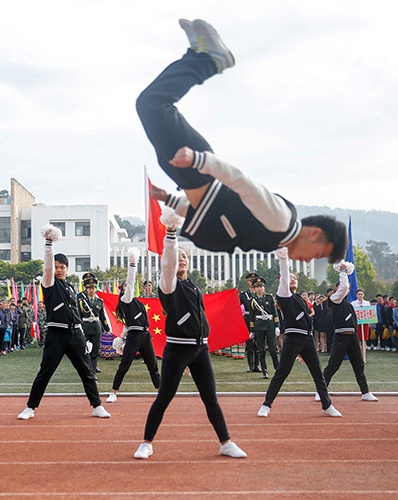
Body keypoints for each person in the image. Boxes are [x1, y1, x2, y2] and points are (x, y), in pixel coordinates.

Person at [139, 18, 347, 264]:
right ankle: (209, 59)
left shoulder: (275, 238)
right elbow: (242, 183)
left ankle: (200, 54)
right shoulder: (280, 219)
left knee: (153, 104)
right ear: (315, 233)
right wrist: (200, 159)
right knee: (151, 104)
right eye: (318, 254)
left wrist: (170, 200)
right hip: (196, 167)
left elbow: (217, 212)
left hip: (189, 177)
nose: (309, 261)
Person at [133, 212, 245, 460]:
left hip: (200, 350)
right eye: (178, 256)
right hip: (177, 349)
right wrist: (171, 234)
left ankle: (225, 442)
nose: (181, 259)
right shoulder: (168, 284)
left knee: (211, 399)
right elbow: (169, 263)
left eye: (185, 257)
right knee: (164, 398)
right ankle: (146, 443)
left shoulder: (194, 287)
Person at [17, 224, 110, 420]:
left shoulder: (69, 288)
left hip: (75, 334)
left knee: (87, 371)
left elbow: (75, 314)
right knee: (45, 372)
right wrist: (49, 243)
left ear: (67, 269)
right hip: (56, 335)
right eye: (56, 266)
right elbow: (48, 267)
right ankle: (30, 407)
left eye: (62, 267)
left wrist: (83, 337)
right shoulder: (49, 283)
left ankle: (97, 405)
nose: (58, 270)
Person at [257, 247, 342, 419]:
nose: (293, 279)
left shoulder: (301, 300)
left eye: (295, 277)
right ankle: (266, 404)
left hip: (307, 339)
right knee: (282, 372)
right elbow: (284, 273)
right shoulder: (284, 296)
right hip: (293, 339)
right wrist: (283, 259)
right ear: (285, 281)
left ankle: (327, 405)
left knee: (318, 373)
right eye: (290, 277)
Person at [106, 247, 160, 403]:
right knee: (124, 366)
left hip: (144, 336)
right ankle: (113, 392)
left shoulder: (139, 303)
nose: (127, 287)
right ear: (123, 290)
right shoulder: (125, 300)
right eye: (124, 287)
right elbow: (130, 282)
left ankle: (160, 391)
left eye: (127, 287)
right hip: (134, 338)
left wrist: (122, 337)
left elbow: (129, 325)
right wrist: (132, 264)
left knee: (153, 366)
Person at [320, 263, 378, 403]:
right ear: (336, 288)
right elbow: (344, 287)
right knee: (333, 366)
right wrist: (344, 271)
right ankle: (320, 390)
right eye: (340, 287)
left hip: (352, 337)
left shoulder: (349, 304)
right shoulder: (334, 300)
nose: (345, 289)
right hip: (340, 337)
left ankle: (365, 392)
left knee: (359, 365)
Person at [77, 272, 111, 374]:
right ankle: (86, 367)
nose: (91, 290)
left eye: (93, 288)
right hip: (85, 327)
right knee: (86, 348)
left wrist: (107, 328)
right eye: (89, 288)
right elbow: (79, 315)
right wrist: (79, 327)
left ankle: (94, 367)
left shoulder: (99, 301)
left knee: (95, 349)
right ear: (86, 289)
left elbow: (102, 316)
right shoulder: (81, 300)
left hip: (96, 327)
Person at [248, 277, 279, 379]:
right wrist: (252, 330)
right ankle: (264, 371)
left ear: (264, 288)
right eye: (257, 287)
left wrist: (277, 326)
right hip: (259, 326)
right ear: (254, 288)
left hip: (269, 325)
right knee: (261, 351)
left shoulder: (269, 298)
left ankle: (277, 369)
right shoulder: (252, 300)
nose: (259, 289)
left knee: (273, 349)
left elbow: (275, 313)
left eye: (261, 286)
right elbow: (251, 316)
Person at [239, 272, 259, 373]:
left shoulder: (260, 293)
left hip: (258, 319)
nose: (252, 282)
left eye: (254, 280)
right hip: (248, 320)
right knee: (250, 343)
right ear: (247, 282)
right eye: (250, 281)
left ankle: (257, 365)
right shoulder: (243, 295)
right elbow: (236, 306)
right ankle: (250, 366)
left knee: (258, 344)